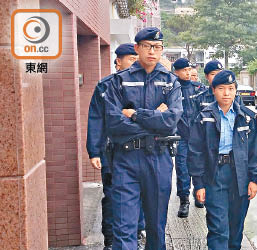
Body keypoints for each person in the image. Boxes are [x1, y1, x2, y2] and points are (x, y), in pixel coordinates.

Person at [103, 27, 183, 250]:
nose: (152, 51)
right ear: (137, 48)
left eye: (157, 47)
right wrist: (156, 116)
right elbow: (114, 124)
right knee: (123, 228)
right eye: (147, 46)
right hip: (125, 159)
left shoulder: (170, 82)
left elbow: (171, 122)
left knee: (157, 227)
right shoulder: (119, 82)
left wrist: (135, 114)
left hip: (159, 157)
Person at [188, 70, 257, 249]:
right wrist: (198, 183)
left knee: (236, 229)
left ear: (235, 90)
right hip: (214, 175)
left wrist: (254, 179)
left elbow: (255, 151)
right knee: (218, 228)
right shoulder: (203, 117)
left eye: (231, 88)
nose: (226, 93)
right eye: (221, 88)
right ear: (213, 90)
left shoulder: (247, 117)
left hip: (240, 175)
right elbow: (196, 152)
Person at [86, 43, 146, 250]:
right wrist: (94, 151)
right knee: (113, 196)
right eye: (130, 59)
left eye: (136, 59)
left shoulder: (146, 85)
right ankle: (111, 239)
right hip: (113, 151)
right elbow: (96, 119)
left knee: (139, 194)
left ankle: (136, 233)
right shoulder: (105, 86)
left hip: (141, 150)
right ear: (118, 61)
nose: (134, 63)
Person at [173, 58, 207, 218]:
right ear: (176, 72)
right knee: (182, 169)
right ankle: (184, 201)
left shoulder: (199, 88)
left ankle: (198, 194)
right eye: (184, 70)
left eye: (189, 70)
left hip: (198, 136)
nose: (187, 73)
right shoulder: (173, 89)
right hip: (180, 136)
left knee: (199, 166)